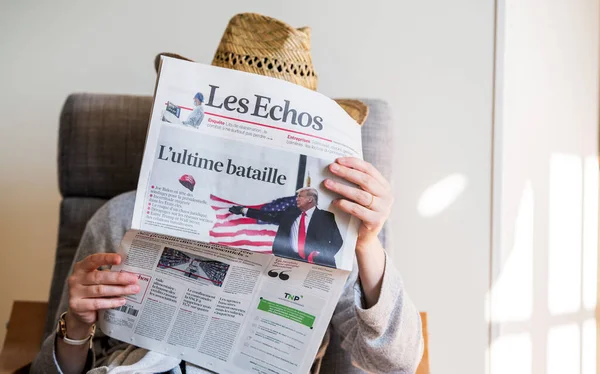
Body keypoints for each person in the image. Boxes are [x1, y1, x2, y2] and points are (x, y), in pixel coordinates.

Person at [32, 13, 423, 374]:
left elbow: (395, 363)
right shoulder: (119, 216)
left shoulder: (327, 236)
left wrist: (369, 244)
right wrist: (77, 327)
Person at [229, 187, 343, 267]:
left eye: (300, 196)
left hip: (318, 265)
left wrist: (323, 255)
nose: (296, 199)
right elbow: (269, 216)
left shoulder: (326, 216)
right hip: (290, 263)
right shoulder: (290, 213)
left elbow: (338, 241)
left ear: (310, 199)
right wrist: (244, 210)